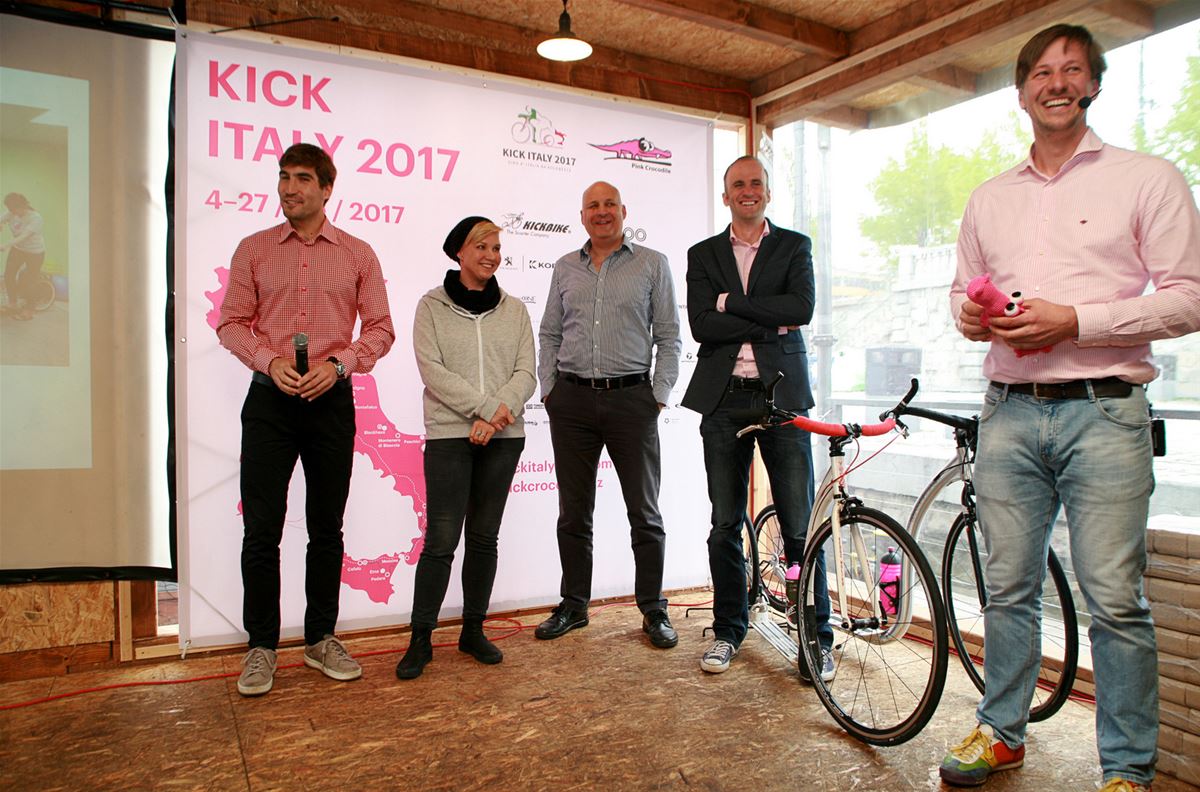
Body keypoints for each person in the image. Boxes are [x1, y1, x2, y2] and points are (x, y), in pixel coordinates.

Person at [939, 24, 1200, 792]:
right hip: (1009, 411)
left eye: (1072, 71)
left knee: (1116, 599)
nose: (1056, 83)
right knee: (1007, 585)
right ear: (1021, 92)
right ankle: (1001, 732)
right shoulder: (990, 197)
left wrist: (1075, 322)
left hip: (1107, 413)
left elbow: (1188, 299)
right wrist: (971, 315)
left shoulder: (1146, 179)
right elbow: (962, 292)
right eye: (1041, 73)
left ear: (1092, 85)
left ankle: (1126, 768)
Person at [217, 143, 395, 697]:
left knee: (326, 528)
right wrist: (268, 361)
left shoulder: (359, 254)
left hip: (331, 402)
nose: (289, 188)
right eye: (282, 177)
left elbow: (381, 330)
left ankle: (320, 638)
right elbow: (230, 324)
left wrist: (340, 364)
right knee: (261, 530)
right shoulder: (253, 249)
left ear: (326, 188)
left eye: (301, 179)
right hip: (269, 403)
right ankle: (261, 647)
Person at [682, 156, 831, 676]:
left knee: (799, 525)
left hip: (783, 394)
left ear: (767, 193)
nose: (747, 191)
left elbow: (801, 310)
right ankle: (729, 631)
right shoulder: (702, 254)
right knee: (725, 523)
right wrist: (768, 316)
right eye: (737, 185)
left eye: (755, 184)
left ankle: (817, 634)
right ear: (726, 196)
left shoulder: (795, 246)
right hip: (724, 398)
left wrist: (733, 304)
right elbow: (703, 326)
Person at [535, 181, 682, 649]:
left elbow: (670, 338)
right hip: (572, 403)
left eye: (609, 205)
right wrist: (550, 389)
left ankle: (654, 609)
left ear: (623, 211)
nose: (601, 212)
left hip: (631, 401)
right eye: (592, 206)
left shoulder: (652, 263)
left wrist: (656, 397)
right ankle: (574, 605)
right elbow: (550, 334)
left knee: (645, 512)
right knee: (573, 513)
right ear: (582, 216)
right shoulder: (563, 267)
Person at [395, 216, 536, 680]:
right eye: (482, 246)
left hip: (503, 438)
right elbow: (431, 370)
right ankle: (420, 640)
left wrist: (494, 417)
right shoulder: (430, 307)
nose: (491, 255)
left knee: (483, 537)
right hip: (449, 436)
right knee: (440, 541)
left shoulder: (515, 310)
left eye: (496, 247)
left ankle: (472, 630)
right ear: (459, 251)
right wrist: (482, 409)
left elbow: (526, 374)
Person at [0, 192, 46, 321]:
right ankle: (12, 304)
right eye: (10, 210)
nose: (13, 213)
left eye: (14, 209)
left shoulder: (36, 218)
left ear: (23, 205)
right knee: (9, 274)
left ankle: (29, 310)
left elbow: (23, 236)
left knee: (31, 281)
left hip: (35, 252)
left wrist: (5, 245)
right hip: (18, 250)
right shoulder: (11, 213)